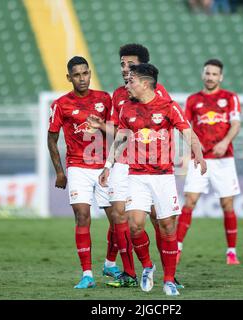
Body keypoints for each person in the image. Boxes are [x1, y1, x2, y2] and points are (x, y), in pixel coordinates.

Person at [99, 63, 206, 296]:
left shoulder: (168, 107)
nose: (126, 85)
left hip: (163, 177)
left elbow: (187, 132)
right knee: (135, 225)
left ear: (145, 83)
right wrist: (108, 165)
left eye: (131, 81)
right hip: (136, 175)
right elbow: (120, 139)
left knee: (167, 226)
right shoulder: (126, 109)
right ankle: (148, 265)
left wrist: (199, 155)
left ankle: (169, 280)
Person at [88, 43, 182, 290]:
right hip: (123, 163)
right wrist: (100, 127)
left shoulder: (159, 93)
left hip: (152, 166)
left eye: (130, 64)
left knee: (158, 219)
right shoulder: (118, 95)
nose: (124, 69)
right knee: (122, 216)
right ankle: (130, 272)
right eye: (122, 64)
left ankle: (169, 274)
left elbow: (166, 124)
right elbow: (119, 132)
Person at [47, 56, 115, 289]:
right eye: (77, 75)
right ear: (69, 78)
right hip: (77, 167)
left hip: (104, 166)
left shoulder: (105, 99)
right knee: (82, 216)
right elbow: (52, 139)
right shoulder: (60, 104)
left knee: (117, 219)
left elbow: (116, 131)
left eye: (85, 73)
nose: (82, 78)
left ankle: (110, 262)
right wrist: (60, 172)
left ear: (90, 73)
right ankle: (87, 274)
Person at [176, 59, 242, 266]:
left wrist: (225, 142)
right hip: (200, 159)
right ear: (202, 75)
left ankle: (231, 252)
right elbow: (185, 127)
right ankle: (176, 248)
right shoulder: (193, 100)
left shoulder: (230, 98)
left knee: (227, 204)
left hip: (224, 159)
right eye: (207, 73)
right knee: (190, 201)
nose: (210, 77)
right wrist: (194, 146)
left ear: (220, 77)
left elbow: (236, 124)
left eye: (214, 74)